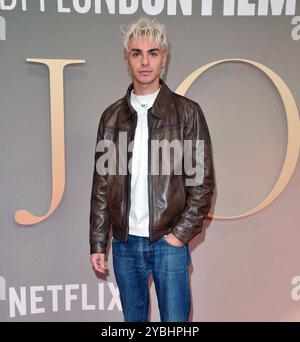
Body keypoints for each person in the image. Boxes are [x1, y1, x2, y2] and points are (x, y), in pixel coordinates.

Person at [89, 17, 215, 322]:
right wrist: (98, 241)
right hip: (125, 245)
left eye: (153, 53)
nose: (145, 61)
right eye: (136, 53)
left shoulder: (187, 113)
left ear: (164, 59)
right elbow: (102, 185)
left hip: (168, 243)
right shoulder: (110, 118)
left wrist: (179, 236)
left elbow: (202, 184)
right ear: (126, 60)